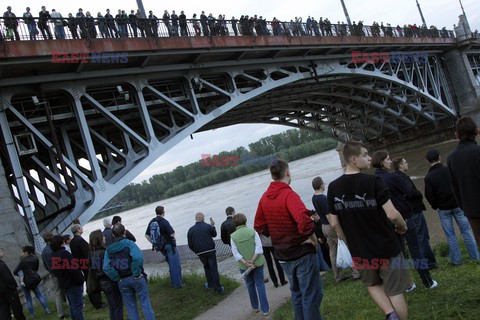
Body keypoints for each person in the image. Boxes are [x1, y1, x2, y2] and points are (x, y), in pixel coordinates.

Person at [327, 142, 409, 320]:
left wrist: (350, 243)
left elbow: (334, 223)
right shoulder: (374, 181)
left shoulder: (333, 188)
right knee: (395, 291)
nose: (370, 158)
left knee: (372, 284)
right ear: (354, 159)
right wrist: (403, 227)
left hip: (360, 251)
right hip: (386, 247)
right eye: (365, 155)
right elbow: (393, 215)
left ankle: (390, 314)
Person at [254, 159, 323, 320]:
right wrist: (310, 239)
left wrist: (277, 236)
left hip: (282, 254)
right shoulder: (288, 195)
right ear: (287, 172)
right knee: (311, 295)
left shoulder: (265, 198)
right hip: (301, 253)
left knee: (297, 294)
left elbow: (259, 225)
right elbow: (304, 222)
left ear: (272, 176)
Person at [372, 150, 437, 291]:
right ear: (382, 162)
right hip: (404, 216)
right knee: (415, 249)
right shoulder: (393, 177)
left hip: (387, 220)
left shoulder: (373, 181)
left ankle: (407, 285)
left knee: (398, 253)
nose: (390, 162)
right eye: (388, 159)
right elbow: (409, 192)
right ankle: (428, 281)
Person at [425, 149, 479, 264]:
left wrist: (435, 206)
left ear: (429, 161)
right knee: (466, 231)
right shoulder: (448, 170)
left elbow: (428, 195)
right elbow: (457, 184)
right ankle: (475, 257)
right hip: (457, 205)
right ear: (439, 157)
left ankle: (457, 260)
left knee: (450, 235)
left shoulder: (429, 177)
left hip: (443, 209)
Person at [392, 157, 437, 269]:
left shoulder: (395, 177)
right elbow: (411, 192)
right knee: (422, 237)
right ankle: (429, 263)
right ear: (400, 166)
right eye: (405, 163)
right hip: (415, 210)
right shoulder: (402, 178)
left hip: (408, 211)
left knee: (417, 239)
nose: (407, 164)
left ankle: (422, 263)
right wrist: (419, 194)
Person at [312, 176, 359, 282]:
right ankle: (356, 272)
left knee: (333, 251)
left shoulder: (314, 198)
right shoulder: (323, 199)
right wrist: (337, 230)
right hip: (330, 226)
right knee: (346, 247)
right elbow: (329, 216)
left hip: (324, 227)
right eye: (323, 183)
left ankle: (338, 276)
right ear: (321, 185)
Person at [104, 223, 155, 320]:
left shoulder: (109, 250)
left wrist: (116, 277)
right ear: (124, 232)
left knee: (131, 307)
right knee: (145, 303)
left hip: (122, 281)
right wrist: (136, 273)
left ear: (113, 235)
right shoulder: (130, 243)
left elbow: (106, 267)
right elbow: (138, 258)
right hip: (136, 278)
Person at [447, 117, 480, 247]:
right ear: (476, 131)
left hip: (472, 210)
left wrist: (465, 207)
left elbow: (455, 188)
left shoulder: (451, 158)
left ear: (457, 135)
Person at [230, 213, 270, 315]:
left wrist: (245, 262)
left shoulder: (233, 236)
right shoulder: (253, 232)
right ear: (245, 220)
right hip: (257, 263)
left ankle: (255, 307)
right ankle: (265, 310)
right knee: (260, 284)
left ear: (235, 223)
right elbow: (259, 248)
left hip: (244, 266)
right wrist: (252, 260)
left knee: (250, 285)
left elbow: (235, 254)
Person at [89, 230, 123, 320]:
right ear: (99, 239)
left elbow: (94, 270)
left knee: (112, 306)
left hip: (102, 282)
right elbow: (110, 266)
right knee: (117, 306)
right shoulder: (105, 252)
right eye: (103, 236)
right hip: (110, 280)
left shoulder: (92, 253)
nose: (104, 237)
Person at [145, 206, 182, 288]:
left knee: (171, 264)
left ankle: (173, 283)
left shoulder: (152, 222)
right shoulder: (164, 221)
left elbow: (146, 235)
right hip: (169, 246)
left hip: (161, 247)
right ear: (163, 212)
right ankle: (177, 285)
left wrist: (154, 242)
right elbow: (172, 234)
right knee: (175, 265)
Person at [187, 212, 224, 294]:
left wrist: (196, 251)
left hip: (200, 253)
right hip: (210, 251)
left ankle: (210, 285)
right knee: (213, 269)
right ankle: (218, 288)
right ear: (203, 218)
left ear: (196, 219)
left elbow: (190, 244)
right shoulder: (207, 226)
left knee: (206, 268)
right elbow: (214, 234)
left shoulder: (191, 230)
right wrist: (213, 226)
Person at [50, 235, 85, 320]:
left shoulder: (53, 255)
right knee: (77, 306)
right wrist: (81, 279)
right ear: (61, 243)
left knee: (72, 306)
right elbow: (74, 269)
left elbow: (56, 271)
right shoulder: (65, 254)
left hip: (65, 284)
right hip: (73, 283)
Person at [70, 224, 104, 309]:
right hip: (86, 265)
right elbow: (87, 253)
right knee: (93, 283)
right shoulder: (80, 240)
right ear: (78, 229)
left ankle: (96, 301)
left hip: (80, 265)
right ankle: (97, 302)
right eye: (81, 228)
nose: (82, 229)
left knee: (89, 283)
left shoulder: (72, 241)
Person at [13, 246, 51, 318]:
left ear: (26, 252)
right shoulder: (35, 258)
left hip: (25, 282)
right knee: (39, 295)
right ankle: (47, 309)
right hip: (34, 279)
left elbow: (15, 271)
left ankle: (32, 315)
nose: (21, 253)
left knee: (28, 298)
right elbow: (36, 269)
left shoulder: (23, 261)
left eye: (22, 252)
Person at [41, 231, 67, 319]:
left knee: (58, 293)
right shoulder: (53, 249)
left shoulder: (43, 251)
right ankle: (72, 307)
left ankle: (61, 313)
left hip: (52, 274)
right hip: (61, 272)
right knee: (67, 289)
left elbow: (45, 265)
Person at [0, 247, 26, 320]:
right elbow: (8, 278)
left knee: (4, 310)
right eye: (0, 251)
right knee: (17, 309)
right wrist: (14, 287)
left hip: (1, 292)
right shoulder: (1, 264)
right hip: (8, 291)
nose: (2, 252)